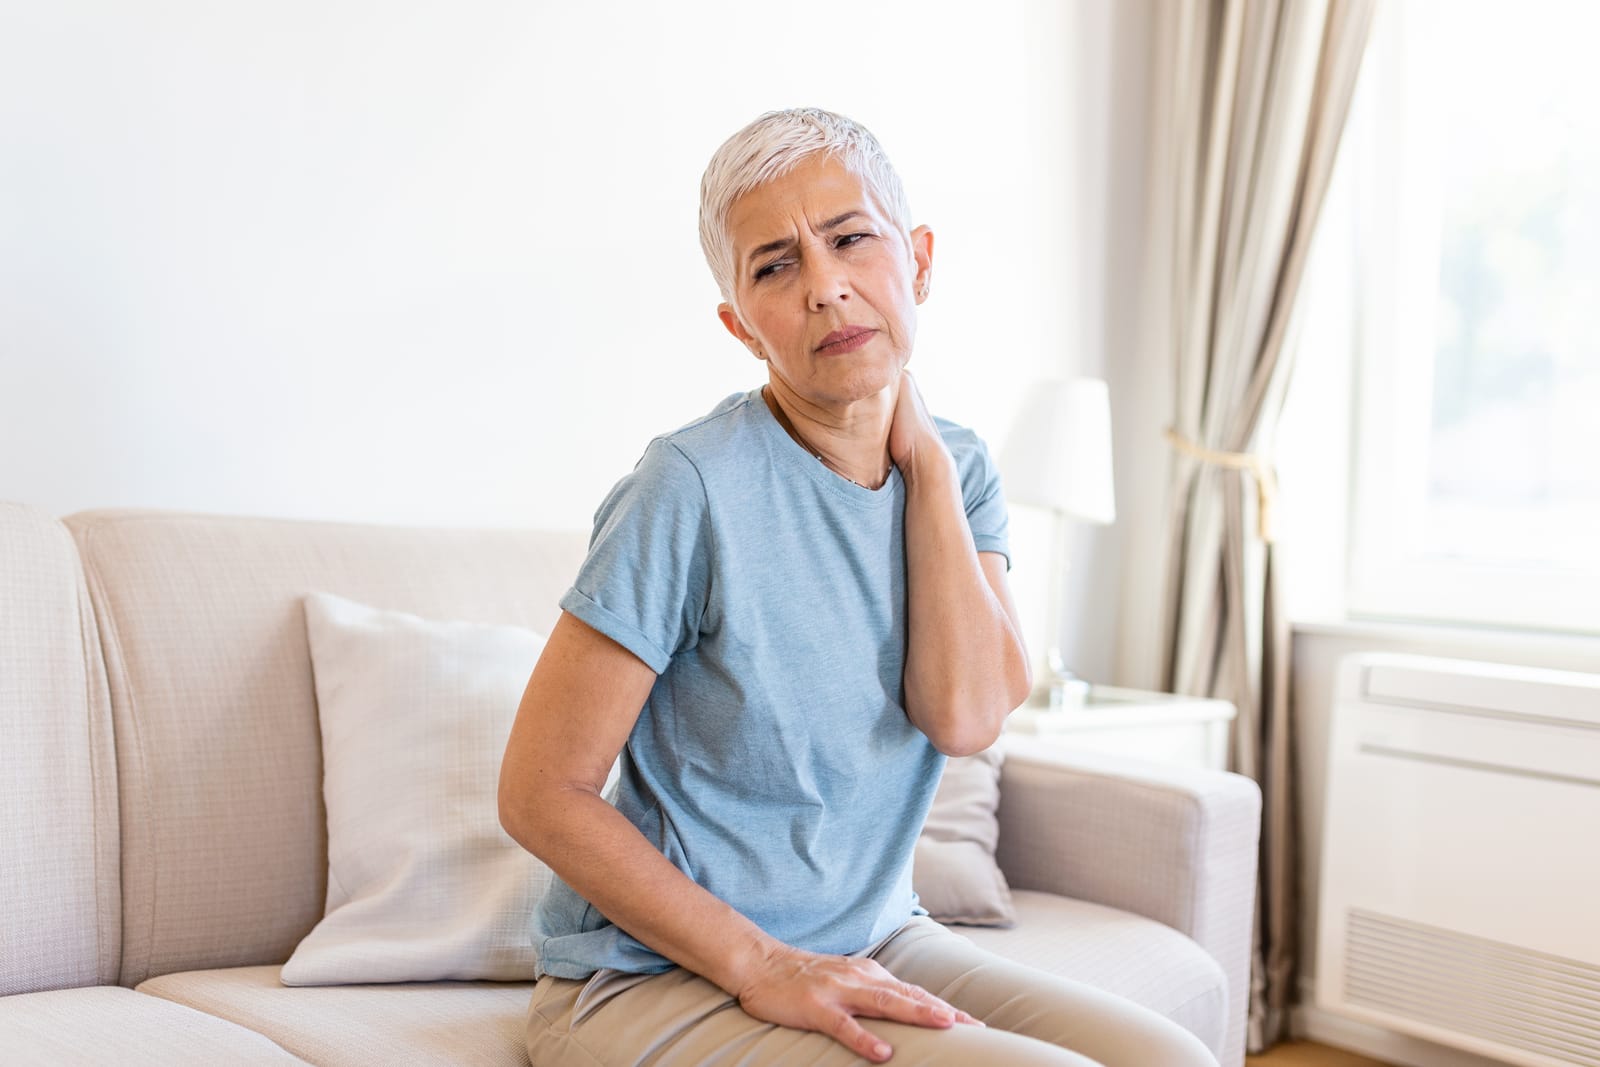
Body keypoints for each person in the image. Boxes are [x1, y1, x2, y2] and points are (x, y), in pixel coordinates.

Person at [498, 107, 1218, 1067]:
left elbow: (963, 716)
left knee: (1173, 1060)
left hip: (876, 935)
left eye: (850, 240)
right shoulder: (690, 486)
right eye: (775, 266)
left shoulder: (960, 468)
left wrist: (923, 472)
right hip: (648, 975)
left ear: (917, 261)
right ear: (741, 325)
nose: (826, 287)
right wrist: (762, 963)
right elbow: (540, 793)